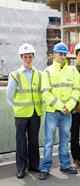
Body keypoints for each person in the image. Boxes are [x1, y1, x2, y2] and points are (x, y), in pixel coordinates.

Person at [39, 42, 80, 180]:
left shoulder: (72, 70)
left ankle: (65, 165)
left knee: (64, 140)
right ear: (54, 55)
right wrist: (60, 106)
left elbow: (76, 90)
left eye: (64, 54)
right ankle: (45, 168)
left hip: (67, 113)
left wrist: (68, 106)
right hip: (52, 112)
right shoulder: (47, 71)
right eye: (60, 54)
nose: (62, 56)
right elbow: (45, 92)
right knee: (49, 141)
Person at [7, 43, 42, 179]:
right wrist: (17, 107)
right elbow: (9, 96)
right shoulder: (15, 75)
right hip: (21, 114)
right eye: (25, 57)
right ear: (21, 58)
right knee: (21, 142)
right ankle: (21, 168)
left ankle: (34, 165)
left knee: (34, 141)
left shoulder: (39, 74)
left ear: (33, 57)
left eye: (30, 57)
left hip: (35, 113)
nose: (28, 59)